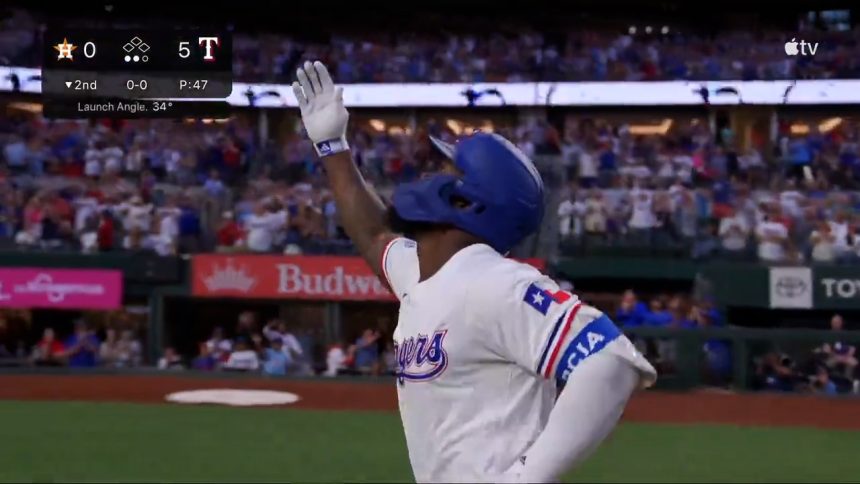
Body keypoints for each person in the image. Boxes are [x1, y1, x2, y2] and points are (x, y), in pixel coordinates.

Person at [292, 61, 656, 484]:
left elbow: (609, 363)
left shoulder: (497, 283)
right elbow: (373, 234)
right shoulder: (425, 273)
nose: (428, 174)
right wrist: (332, 147)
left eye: (447, 171)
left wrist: (527, 477)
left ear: (467, 202)